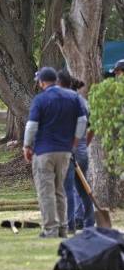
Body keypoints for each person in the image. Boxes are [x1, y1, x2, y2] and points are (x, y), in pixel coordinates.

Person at [23, 67, 87, 238]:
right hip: (65, 151)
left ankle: (50, 229)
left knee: (46, 190)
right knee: (60, 190)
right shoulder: (73, 97)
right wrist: (75, 140)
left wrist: (27, 146)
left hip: (44, 150)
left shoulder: (41, 99)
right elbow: (82, 120)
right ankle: (63, 228)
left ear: (43, 82)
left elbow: (32, 126)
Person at [57, 71, 95, 233]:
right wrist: (84, 144)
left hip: (69, 147)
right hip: (80, 148)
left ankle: (76, 219)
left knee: (71, 187)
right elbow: (92, 126)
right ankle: (89, 219)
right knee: (82, 186)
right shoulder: (83, 102)